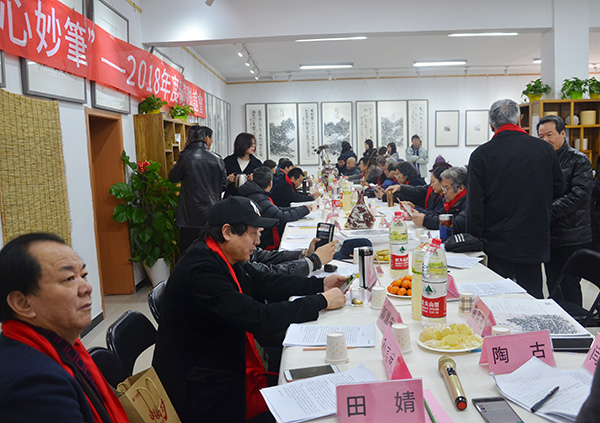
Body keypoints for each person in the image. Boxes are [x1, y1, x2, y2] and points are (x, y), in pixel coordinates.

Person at [152, 197, 347, 423]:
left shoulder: (222, 255)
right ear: (227, 232)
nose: (258, 241)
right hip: (203, 392)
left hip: (222, 362)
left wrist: (319, 285)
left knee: (309, 366)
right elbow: (259, 318)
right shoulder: (201, 271)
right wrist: (320, 302)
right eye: (253, 233)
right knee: (314, 399)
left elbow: (265, 281)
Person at [0, 233, 129, 423]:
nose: (87, 288)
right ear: (22, 303)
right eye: (69, 279)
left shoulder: (59, 344)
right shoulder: (34, 384)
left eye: (83, 275)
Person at [467, 99, 563, 299]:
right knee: (532, 294)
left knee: (497, 297)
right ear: (519, 119)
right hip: (533, 236)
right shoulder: (544, 149)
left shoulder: (481, 155)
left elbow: (475, 205)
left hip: (497, 241)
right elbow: (558, 188)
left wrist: (474, 241)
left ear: (491, 125)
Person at [537, 115, 593, 306]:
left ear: (563, 133)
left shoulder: (579, 160)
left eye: (549, 135)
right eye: (541, 136)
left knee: (569, 284)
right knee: (552, 283)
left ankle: (575, 322)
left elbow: (579, 195)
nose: (545, 140)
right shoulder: (542, 160)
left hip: (572, 234)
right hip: (549, 234)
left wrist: (546, 212)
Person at [169, 125, 227, 252]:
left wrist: (183, 153)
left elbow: (173, 177)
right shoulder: (217, 159)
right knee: (210, 250)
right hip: (211, 212)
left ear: (188, 140)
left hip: (189, 216)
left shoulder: (186, 157)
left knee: (188, 251)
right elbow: (224, 185)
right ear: (206, 139)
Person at [239, 166, 311, 250]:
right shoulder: (259, 198)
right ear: (270, 183)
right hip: (265, 243)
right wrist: (304, 210)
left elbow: (276, 210)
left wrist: (301, 208)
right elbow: (280, 217)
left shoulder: (255, 194)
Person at [411, 167, 467, 232]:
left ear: (460, 188)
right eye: (443, 188)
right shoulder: (451, 202)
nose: (444, 192)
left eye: (447, 188)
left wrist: (425, 220)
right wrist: (417, 212)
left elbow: (454, 224)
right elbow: (438, 214)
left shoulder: (468, 204)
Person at [224, 132, 263, 198]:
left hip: (249, 199)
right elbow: (217, 183)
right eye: (251, 144)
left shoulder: (257, 163)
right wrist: (227, 180)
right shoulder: (228, 161)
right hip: (230, 199)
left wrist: (254, 180)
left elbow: (262, 186)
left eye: (254, 144)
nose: (253, 146)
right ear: (242, 144)